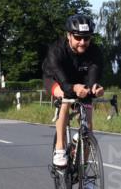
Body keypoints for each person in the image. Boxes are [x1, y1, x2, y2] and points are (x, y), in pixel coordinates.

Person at [42, 14, 104, 167]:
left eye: (87, 38)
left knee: (88, 119)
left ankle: (84, 168)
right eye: (78, 37)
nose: (82, 42)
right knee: (66, 98)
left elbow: (93, 75)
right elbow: (64, 82)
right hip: (56, 78)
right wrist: (73, 88)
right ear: (69, 35)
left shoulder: (95, 51)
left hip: (80, 79)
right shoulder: (56, 50)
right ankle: (60, 149)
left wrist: (94, 88)